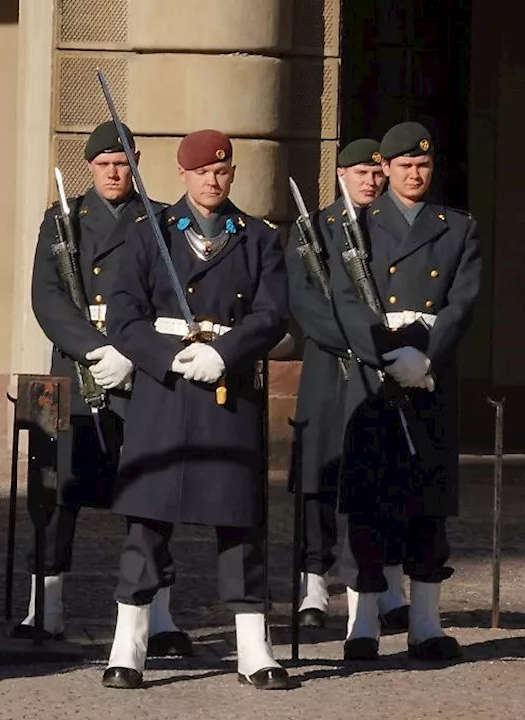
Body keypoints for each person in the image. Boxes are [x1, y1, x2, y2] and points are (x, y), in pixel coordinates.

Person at [103, 129, 294, 690]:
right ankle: (127, 649)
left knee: (239, 521)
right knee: (148, 520)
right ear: (182, 175)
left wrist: (224, 353)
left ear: (231, 173)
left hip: (227, 394)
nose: (213, 180)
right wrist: (169, 358)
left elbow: (272, 313)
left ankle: (254, 650)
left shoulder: (257, 237)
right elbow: (123, 315)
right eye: (202, 172)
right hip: (164, 396)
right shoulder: (149, 236)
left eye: (222, 171)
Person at [17, 121, 189, 657]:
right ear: (89, 167)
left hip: (140, 368)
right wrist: (95, 349)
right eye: (104, 164)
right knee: (50, 491)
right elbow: (47, 298)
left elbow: (171, 295)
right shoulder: (61, 220)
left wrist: (131, 352)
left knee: (152, 492)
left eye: (123, 162)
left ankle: (158, 614)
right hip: (67, 368)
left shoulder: (162, 220)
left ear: (136, 160)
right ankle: (43, 606)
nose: (115, 173)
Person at [330, 121, 480, 662]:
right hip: (375, 377)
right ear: (385, 168)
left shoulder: (456, 227)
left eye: (423, 164)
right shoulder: (356, 227)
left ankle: (425, 625)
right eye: (404, 165)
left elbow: (462, 301)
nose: (415, 173)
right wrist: (383, 355)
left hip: (430, 378)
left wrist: (427, 357)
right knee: (370, 503)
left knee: (427, 502)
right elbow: (344, 300)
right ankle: (363, 625)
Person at [287, 139, 410, 630]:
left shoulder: (392, 228)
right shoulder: (313, 229)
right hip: (328, 366)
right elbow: (305, 304)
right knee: (317, 478)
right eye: (360, 172)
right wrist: (364, 342)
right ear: (340, 174)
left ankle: (382, 584)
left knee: (382, 478)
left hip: (377, 371)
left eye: (376, 173)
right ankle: (312, 584)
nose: (371, 181)